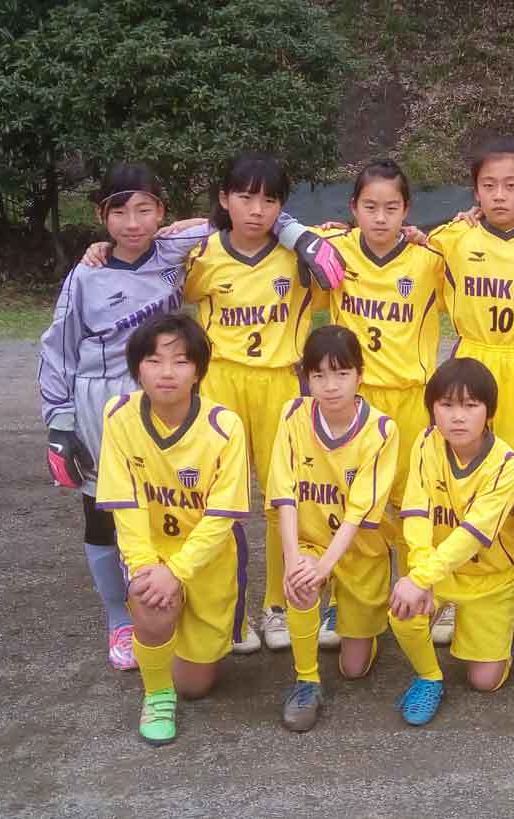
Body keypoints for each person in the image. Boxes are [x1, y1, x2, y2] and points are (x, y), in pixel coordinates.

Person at [38, 162, 207, 670]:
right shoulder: (86, 274)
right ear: (101, 216)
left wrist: (186, 225)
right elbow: (58, 348)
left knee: (166, 501)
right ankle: (120, 618)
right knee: (103, 509)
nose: (133, 224)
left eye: (144, 210)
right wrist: (59, 422)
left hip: (164, 393)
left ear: (161, 211)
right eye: (119, 213)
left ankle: (167, 599)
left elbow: (239, 218)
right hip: (102, 401)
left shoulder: (174, 252)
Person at [425, 136, 514, 648]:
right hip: (469, 362)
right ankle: (450, 592)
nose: (500, 195)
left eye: (511, 185)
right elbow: (400, 248)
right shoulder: (452, 239)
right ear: (475, 192)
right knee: (455, 482)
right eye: (489, 186)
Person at [182, 153, 329, 653]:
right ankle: (227, 608)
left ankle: (278, 606)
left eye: (269, 200)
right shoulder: (201, 255)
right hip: (219, 383)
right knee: (219, 499)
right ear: (225, 200)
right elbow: (147, 259)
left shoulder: (297, 256)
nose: (256, 210)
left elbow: (343, 269)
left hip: (280, 384)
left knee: (283, 498)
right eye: (245, 197)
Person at [297, 160, 446, 647]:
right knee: (347, 503)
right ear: (353, 208)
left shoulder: (430, 258)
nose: (380, 218)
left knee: (412, 503)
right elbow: (276, 237)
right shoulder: (335, 251)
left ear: (407, 210)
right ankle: (344, 598)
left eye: (391, 208)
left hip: (409, 398)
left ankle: (422, 591)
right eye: (370, 206)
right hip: (351, 400)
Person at [95, 313, 250, 746]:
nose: (167, 372)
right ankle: (156, 693)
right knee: (150, 600)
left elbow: (221, 516)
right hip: (153, 552)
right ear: (136, 368)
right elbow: (126, 505)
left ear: (198, 371)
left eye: (180, 361)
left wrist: (178, 571)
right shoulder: (119, 415)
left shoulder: (224, 426)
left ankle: (168, 649)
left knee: (195, 686)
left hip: (207, 558)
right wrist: (147, 567)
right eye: (154, 360)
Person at [265, 325, 399, 732]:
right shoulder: (293, 414)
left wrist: (326, 565)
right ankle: (307, 681)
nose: (330, 385)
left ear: (360, 375)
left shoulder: (382, 430)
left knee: (354, 669)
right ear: (306, 378)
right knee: (302, 583)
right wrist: (295, 562)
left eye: (341, 373)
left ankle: (348, 611)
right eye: (319, 375)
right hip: (311, 539)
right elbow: (284, 493)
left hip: (360, 549)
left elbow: (359, 512)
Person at [388, 358, 514, 726]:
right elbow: (416, 511)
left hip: (489, 578)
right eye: (446, 405)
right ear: (432, 409)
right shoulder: (426, 442)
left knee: (484, 682)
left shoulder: (506, 462)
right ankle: (429, 677)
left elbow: (472, 534)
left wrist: (421, 577)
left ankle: (496, 640)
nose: (457, 417)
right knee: (402, 608)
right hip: (439, 571)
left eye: (470, 405)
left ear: (490, 413)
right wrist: (420, 575)